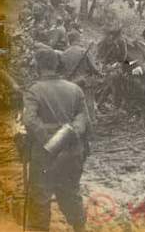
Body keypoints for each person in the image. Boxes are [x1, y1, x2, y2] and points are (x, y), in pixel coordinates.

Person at [23, 48, 90, 232]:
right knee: (71, 193)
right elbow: (84, 119)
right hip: (72, 151)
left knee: (40, 197)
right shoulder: (75, 89)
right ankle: (79, 228)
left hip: (45, 154)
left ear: (38, 65)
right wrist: (69, 135)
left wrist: (49, 140)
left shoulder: (34, 90)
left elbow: (29, 120)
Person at [60, 31, 100, 124]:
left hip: (71, 83)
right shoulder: (84, 52)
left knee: (74, 104)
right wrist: (99, 71)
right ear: (78, 39)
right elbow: (94, 68)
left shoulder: (64, 54)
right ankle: (91, 122)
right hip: (85, 82)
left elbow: (62, 70)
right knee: (88, 103)